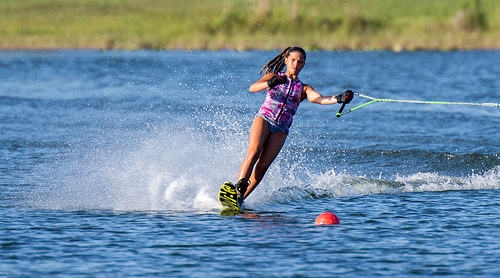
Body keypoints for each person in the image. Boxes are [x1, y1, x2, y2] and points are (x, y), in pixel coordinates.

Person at [234, 46, 353, 205]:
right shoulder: (274, 76)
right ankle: (238, 188)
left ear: (303, 64)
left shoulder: (303, 88)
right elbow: (253, 88)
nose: (295, 64)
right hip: (264, 118)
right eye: (293, 60)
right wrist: (270, 82)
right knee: (254, 151)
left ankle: (240, 199)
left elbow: (318, 98)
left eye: (299, 62)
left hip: (281, 129)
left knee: (263, 166)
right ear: (286, 60)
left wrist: (339, 99)